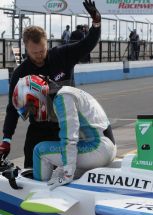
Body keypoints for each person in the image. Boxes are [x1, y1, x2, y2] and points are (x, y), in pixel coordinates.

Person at [0, 0, 101, 168]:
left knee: (70, 172)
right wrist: (6, 139)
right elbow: (12, 108)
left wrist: (96, 23)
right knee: (31, 172)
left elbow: (87, 44)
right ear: (26, 48)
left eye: (42, 50)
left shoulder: (63, 55)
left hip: (68, 128)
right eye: (34, 52)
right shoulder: (21, 73)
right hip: (39, 129)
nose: (39, 55)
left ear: (47, 44)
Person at [12, 75, 117, 190]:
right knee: (57, 171)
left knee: (40, 150)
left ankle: (37, 190)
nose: (32, 113)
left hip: (98, 149)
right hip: (104, 148)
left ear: (35, 97)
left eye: (30, 108)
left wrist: (67, 173)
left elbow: (69, 137)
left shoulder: (62, 98)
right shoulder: (66, 92)